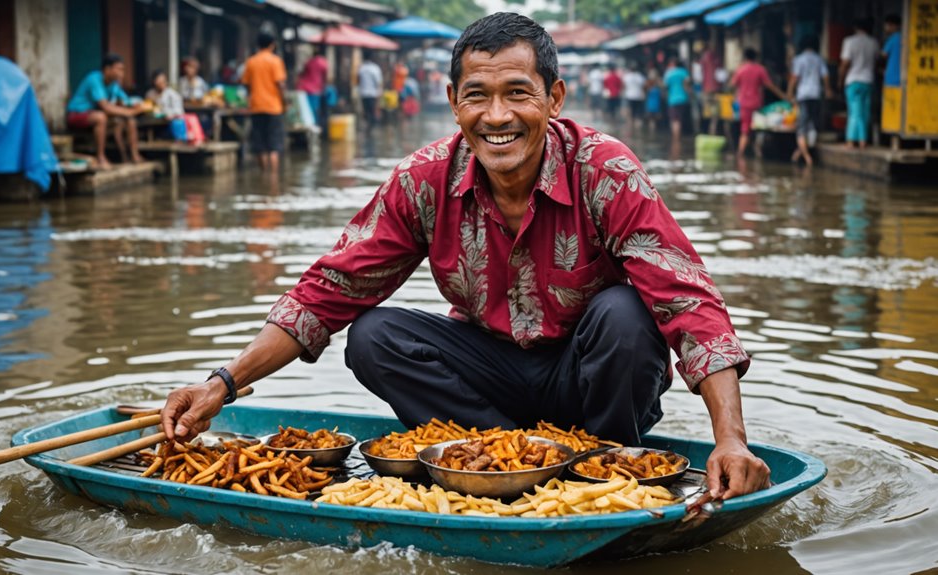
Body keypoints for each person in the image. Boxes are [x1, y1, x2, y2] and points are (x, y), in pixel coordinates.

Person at [159, 12, 770, 503]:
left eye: (518, 94)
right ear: (454, 101)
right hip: (491, 383)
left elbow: (686, 300)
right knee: (374, 335)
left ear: (554, 98)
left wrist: (731, 440)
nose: (497, 117)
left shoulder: (604, 171)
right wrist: (222, 383)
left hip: (588, 376)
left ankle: (603, 473)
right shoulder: (425, 178)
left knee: (627, 315)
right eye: (477, 95)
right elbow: (331, 287)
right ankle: (501, 463)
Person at [66, 53, 144, 169]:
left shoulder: (113, 84)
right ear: (107, 69)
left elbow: (126, 100)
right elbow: (105, 107)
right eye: (119, 69)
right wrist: (130, 111)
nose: (121, 73)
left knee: (130, 120)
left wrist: (133, 106)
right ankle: (100, 157)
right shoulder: (94, 79)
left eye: (123, 70)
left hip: (93, 114)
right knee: (101, 117)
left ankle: (134, 155)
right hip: (76, 114)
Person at [242, 31, 288, 171]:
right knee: (274, 144)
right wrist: (284, 102)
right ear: (272, 45)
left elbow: (246, 84)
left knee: (260, 143)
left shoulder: (251, 61)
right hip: (274, 107)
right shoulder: (275, 61)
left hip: (256, 106)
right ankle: (273, 178)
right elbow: (280, 84)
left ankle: (264, 174)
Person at [731, 48, 787, 157]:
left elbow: (732, 84)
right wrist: (783, 96)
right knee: (758, 127)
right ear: (755, 57)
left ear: (745, 57)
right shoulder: (760, 69)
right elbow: (769, 85)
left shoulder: (740, 70)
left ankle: (740, 153)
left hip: (744, 104)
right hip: (756, 103)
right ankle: (756, 151)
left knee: (745, 129)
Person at [787, 37, 831, 166]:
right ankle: (800, 153)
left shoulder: (799, 59)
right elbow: (825, 75)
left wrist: (789, 92)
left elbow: (794, 77)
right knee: (812, 122)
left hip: (803, 94)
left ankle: (806, 157)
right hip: (816, 93)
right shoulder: (819, 59)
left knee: (802, 125)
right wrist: (827, 89)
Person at [839, 19, 879, 150]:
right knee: (865, 112)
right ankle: (863, 140)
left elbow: (845, 63)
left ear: (856, 27)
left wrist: (840, 79)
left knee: (854, 112)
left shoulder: (849, 41)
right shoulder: (874, 42)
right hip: (868, 80)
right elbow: (878, 60)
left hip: (853, 80)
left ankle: (851, 140)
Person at [297, 47, 328, 125]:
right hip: (315, 89)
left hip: (304, 88)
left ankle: (308, 126)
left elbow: (302, 74)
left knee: (306, 110)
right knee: (314, 110)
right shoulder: (323, 62)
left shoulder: (309, 62)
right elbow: (325, 76)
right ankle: (313, 127)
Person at [663, 56, 691, 141]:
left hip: (672, 99)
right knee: (680, 119)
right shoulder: (684, 72)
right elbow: (687, 85)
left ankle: (676, 139)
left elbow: (665, 86)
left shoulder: (668, 73)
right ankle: (678, 138)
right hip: (683, 98)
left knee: (674, 120)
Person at [699, 43, 722, 134]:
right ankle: (712, 132)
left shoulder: (702, 60)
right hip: (715, 90)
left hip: (705, 89)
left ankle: (705, 132)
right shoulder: (716, 59)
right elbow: (720, 76)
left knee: (706, 112)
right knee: (715, 114)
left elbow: (699, 77)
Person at [358, 52, 383, 130]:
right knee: (373, 113)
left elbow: (358, 81)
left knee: (366, 113)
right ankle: (372, 130)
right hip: (373, 94)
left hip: (363, 94)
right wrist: (379, 95)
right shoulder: (375, 68)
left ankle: (368, 129)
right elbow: (379, 83)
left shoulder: (361, 68)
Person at [622, 61, 646, 128]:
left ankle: (631, 125)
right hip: (638, 96)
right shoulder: (640, 76)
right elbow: (644, 86)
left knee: (631, 112)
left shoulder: (627, 76)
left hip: (630, 96)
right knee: (637, 113)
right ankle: (636, 126)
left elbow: (624, 86)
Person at [881, 15, 902, 90]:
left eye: (886, 26)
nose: (885, 28)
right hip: (903, 78)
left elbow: (883, 56)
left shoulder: (892, 39)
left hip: (892, 78)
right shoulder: (904, 37)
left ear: (892, 25)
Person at [645, 64, 663, 131]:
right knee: (654, 120)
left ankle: (652, 131)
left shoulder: (648, 84)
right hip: (656, 104)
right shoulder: (658, 83)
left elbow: (645, 93)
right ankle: (653, 131)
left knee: (652, 120)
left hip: (651, 104)